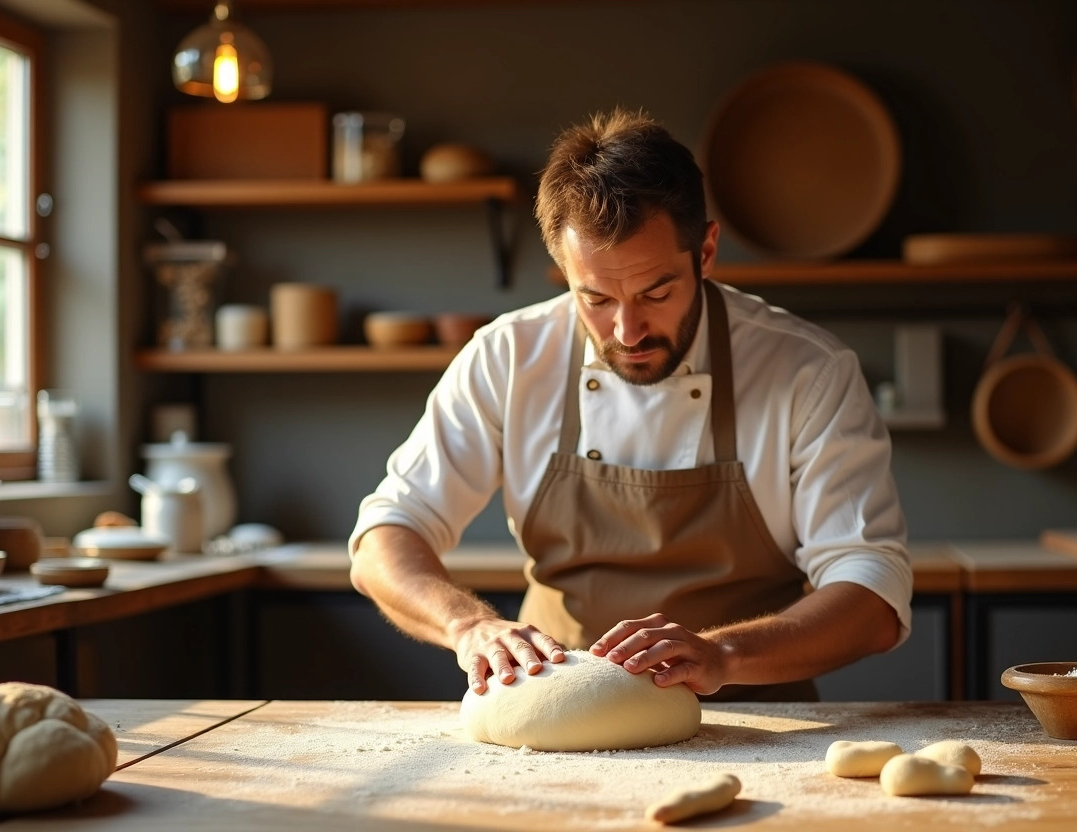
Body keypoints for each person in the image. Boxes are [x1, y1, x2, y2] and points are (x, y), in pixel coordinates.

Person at [349, 107, 912, 701]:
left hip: (761, 720)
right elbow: (387, 533)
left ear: (707, 252)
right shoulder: (508, 357)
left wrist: (721, 655)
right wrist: (469, 626)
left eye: (656, 291)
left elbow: (872, 593)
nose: (627, 331)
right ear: (564, 272)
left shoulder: (807, 371)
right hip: (556, 707)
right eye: (594, 297)